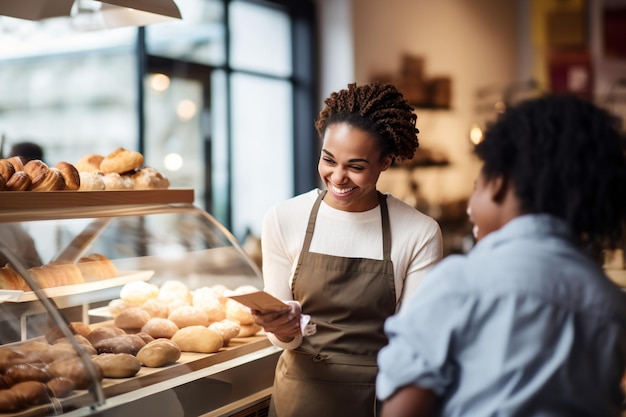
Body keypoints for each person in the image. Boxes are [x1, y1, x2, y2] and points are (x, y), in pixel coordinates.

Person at [376, 94, 626, 416]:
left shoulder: (459, 284)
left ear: (499, 184)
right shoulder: (610, 305)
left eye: (476, 187)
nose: (468, 207)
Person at [253, 82, 443, 417]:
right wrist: (282, 330)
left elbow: (413, 345)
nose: (338, 177)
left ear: (385, 161)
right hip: (299, 396)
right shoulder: (283, 218)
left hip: (376, 400)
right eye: (328, 160)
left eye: (356, 167)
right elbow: (284, 335)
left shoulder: (419, 232)